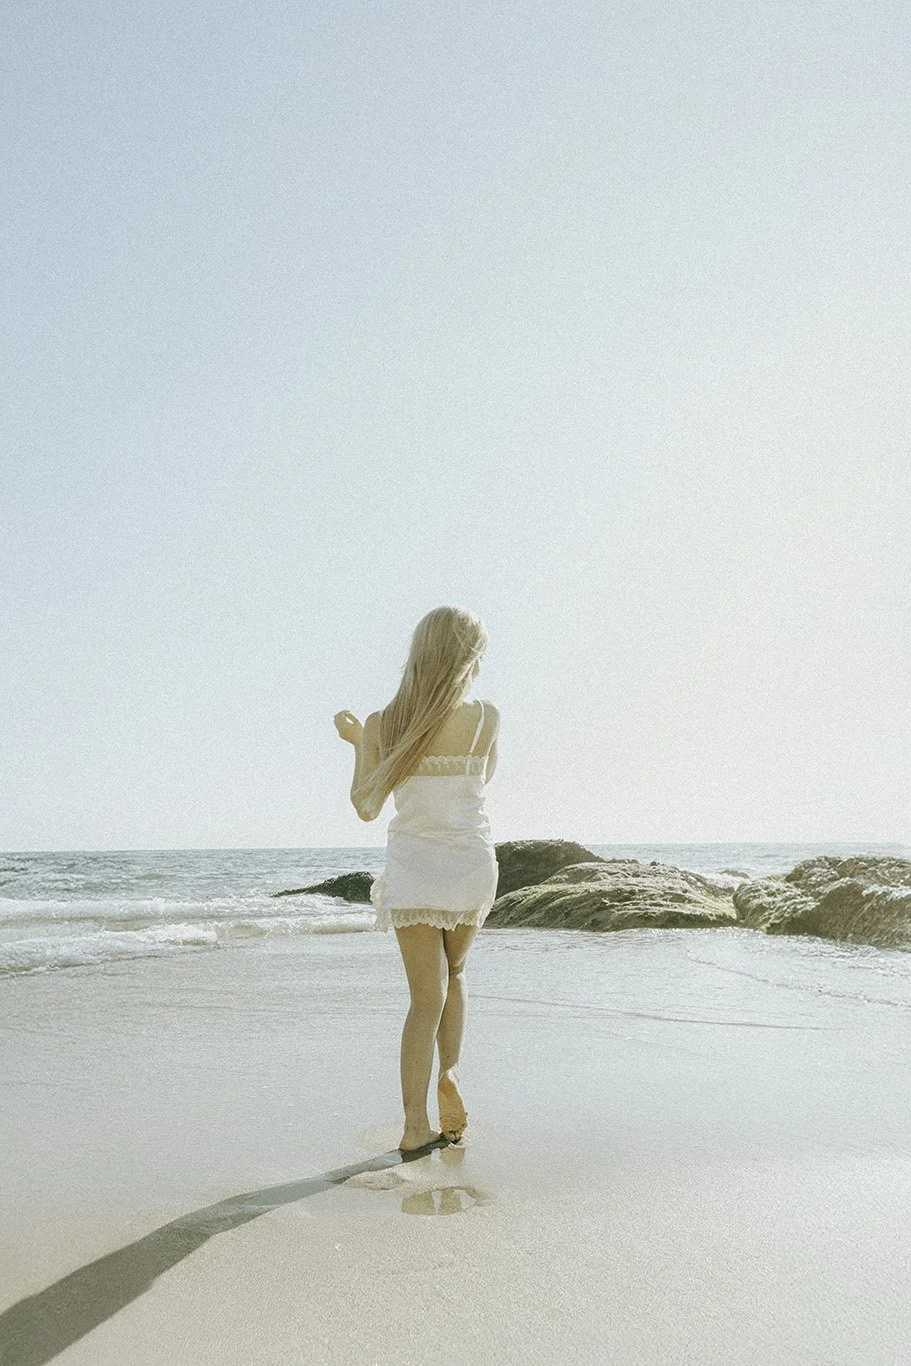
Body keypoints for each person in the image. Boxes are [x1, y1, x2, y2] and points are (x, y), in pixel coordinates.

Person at [333, 605, 500, 1156]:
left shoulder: (386, 722)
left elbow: (366, 805)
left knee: (424, 999)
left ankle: (413, 1124)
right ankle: (449, 1073)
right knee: (456, 973)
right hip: (470, 864)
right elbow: (481, 783)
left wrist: (361, 743)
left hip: (415, 869)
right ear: (469, 657)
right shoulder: (484, 719)